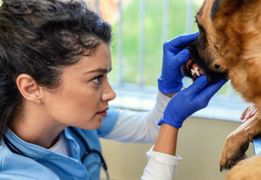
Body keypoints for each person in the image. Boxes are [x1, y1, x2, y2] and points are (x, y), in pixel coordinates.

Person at [0, 0, 226, 179]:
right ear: (31, 88)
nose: (111, 94)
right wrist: (171, 122)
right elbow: (162, 128)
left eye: (106, 75)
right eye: (96, 78)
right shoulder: (15, 172)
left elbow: (150, 129)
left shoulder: (74, 123)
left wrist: (169, 89)